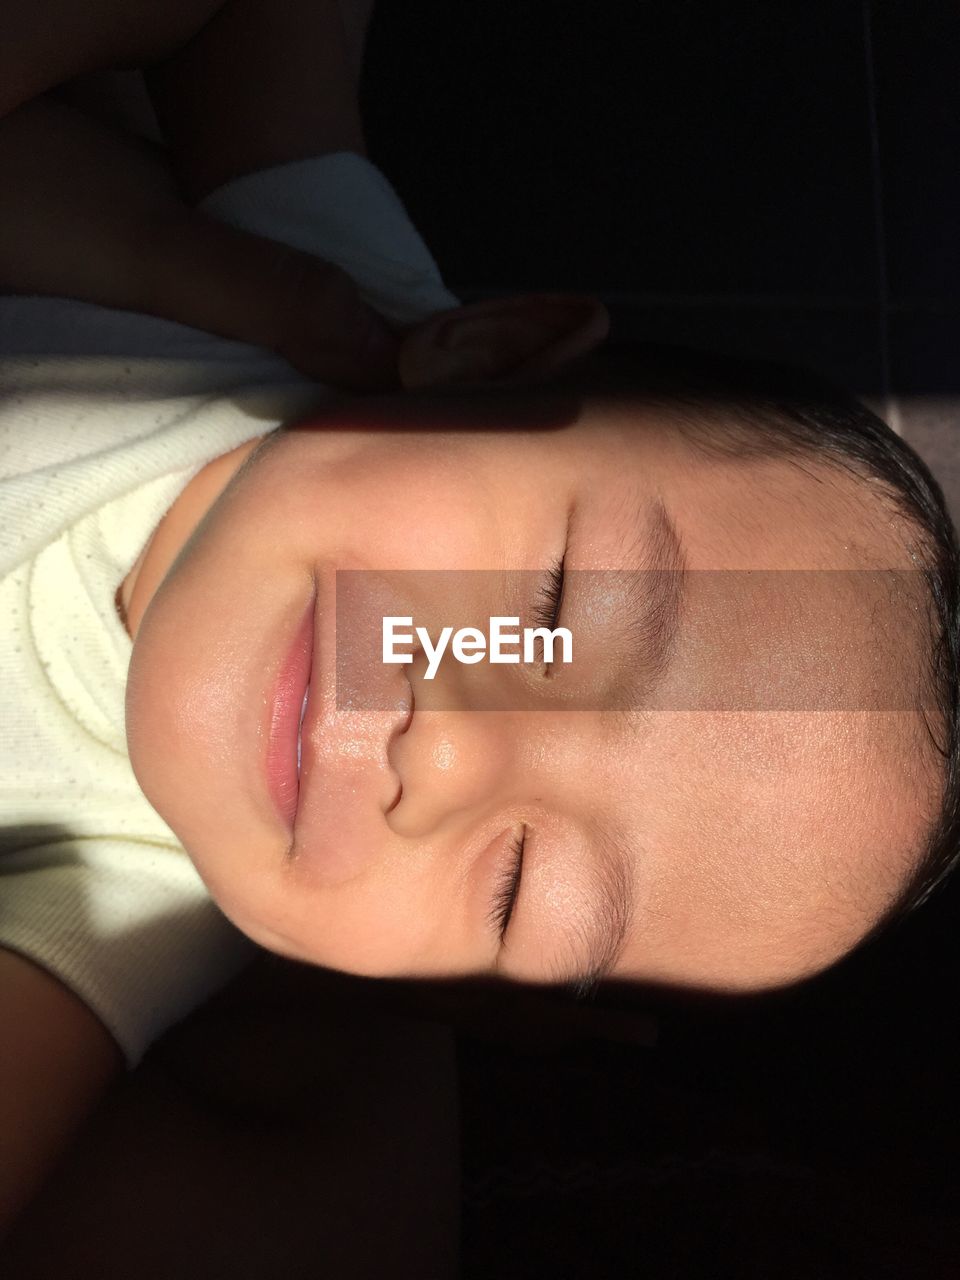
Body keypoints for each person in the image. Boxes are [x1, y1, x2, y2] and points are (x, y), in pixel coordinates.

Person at [2, 0, 958, 1245]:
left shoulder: (106, 915)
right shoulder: (352, 319)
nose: (444, 756)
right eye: (555, 607)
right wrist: (151, 240)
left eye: (517, 891)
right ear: (493, 360)